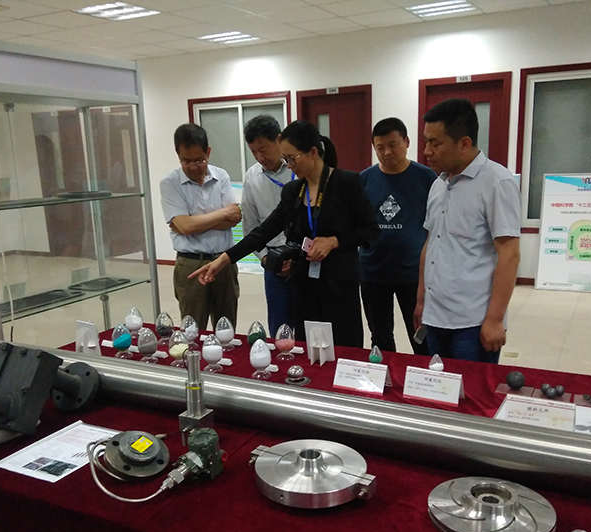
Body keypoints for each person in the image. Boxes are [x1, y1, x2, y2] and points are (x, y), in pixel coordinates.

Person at [189, 120, 378, 349]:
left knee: (343, 346)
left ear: (313, 152)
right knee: (307, 347)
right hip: (304, 283)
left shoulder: (347, 183)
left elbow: (370, 231)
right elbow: (262, 232)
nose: (289, 165)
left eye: (292, 159)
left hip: (339, 284)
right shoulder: (293, 191)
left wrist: (334, 241)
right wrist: (224, 260)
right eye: (285, 159)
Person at [414, 98, 521, 363]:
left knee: (472, 389)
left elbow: (509, 254)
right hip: (435, 316)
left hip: (473, 322)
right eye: (426, 141)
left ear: (464, 143)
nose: (427, 151)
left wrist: (495, 319)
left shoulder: (496, 182)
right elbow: (431, 243)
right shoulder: (438, 184)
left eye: (435, 143)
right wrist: (421, 300)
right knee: (438, 385)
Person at [359, 117, 436, 355]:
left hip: (413, 273)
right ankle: (385, 375)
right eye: (380, 147)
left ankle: (423, 375)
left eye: (393, 145)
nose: (387, 152)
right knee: (380, 337)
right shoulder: (364, 179)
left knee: (421, 337)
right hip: (373, 271)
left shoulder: (427, 178)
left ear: (407, 142)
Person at [159, 123, 241, 330]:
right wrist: (223, 213)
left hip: (224, 261)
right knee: (192, 330)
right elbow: (186, 226)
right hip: (191, 264)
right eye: (186, 161)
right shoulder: (169, 183)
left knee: (227, 328)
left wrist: (192, 223)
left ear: (208, 152)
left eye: (199, 160)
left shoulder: (221, 176)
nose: (193, 166)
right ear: (178, 154)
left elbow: (235, 218)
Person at [241, 115, 295, 337]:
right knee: (280, 329)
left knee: (310, 326)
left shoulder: (298, 168)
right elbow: (250, 227)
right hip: (274, 264)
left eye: (263, 149)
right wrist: (265, 259)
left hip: (307, 261)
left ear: (279, 140)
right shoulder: (251, 178)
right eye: (253, 152)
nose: (259, 157)